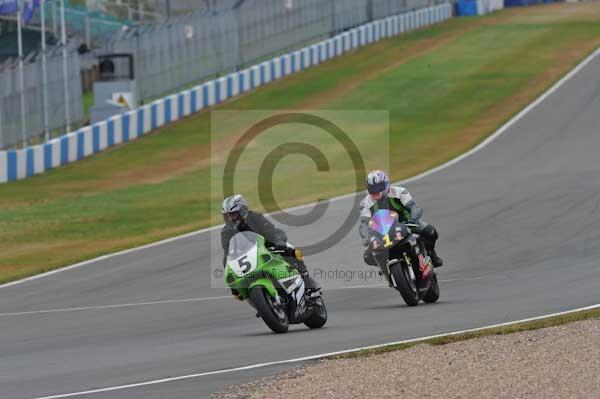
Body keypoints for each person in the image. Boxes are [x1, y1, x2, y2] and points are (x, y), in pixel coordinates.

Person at [221, 194, 321, 295]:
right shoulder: (225, 232)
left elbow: (271, 232)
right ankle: (262, 306)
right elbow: (227, 254)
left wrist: (279, 243)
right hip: (246, 260)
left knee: (291, 249)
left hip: (266, 248)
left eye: (233, 214)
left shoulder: (255, 217)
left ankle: (307, 281)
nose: (230, 218)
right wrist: (230, 277)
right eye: (227, 215)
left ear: (242, 211)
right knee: (239, 293)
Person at [358, 170, 443, 268]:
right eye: (372, 189)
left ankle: (431, 254)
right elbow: (364, 223)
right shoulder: (365, 203)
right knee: (367, 256)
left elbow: (414, 207)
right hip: (382, 231)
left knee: (431, 232)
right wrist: (366, 236)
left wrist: (413, 219)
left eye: (379, 188)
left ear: (386, 184)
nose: (376, 192)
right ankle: (385, 269)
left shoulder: (400, 191)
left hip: (406, 223)